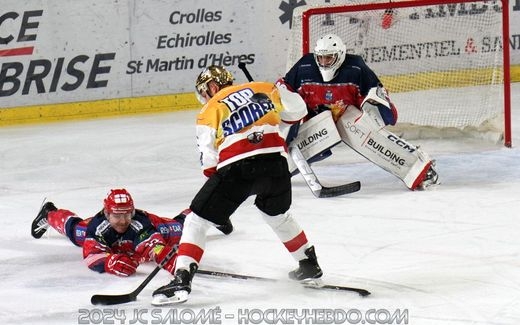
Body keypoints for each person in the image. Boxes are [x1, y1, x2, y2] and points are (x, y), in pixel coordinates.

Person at [151, 65, 322, 305]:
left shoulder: (210, 109)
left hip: (238, 168)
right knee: (277, 215)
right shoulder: (264, 88)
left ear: (212, 87)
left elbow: (210, 163)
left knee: (196, 220)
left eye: (204, 91)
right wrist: (278, 95)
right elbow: (298, 112)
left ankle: (181, 279)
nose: (204, 97)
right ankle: (308, 263)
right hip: (276, 166)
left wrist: (216, 207)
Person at [277, 33, 439, 190]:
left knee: (360, 129)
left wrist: (375, 117)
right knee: (285, 155)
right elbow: (283, 90)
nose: (324, 62)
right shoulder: (304, 67)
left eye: (329, 57)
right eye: (321, 57)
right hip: (315, 124)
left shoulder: (356, 68)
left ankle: (416, 168)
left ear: (340, 55)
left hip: (344, 118)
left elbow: (377, 97)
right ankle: (273, 174)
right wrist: (289, 123)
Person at [31, 188, 187, 276]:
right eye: (117, 215)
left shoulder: (141, 225)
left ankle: (209, 213)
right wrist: (109, 262)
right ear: (107, 214)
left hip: (156, 226)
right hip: (98, 232)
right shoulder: (97, 227)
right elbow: (91, 256)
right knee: (76, 231)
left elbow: (154, 247)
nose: (123, 220)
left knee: (183, 227)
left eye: (127, 214)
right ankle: (49, 213)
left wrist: (171, 260)